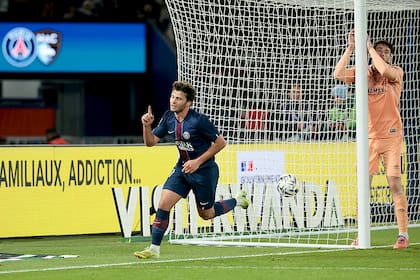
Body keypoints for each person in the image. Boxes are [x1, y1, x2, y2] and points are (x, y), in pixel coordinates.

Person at [134, 81, 249, 259]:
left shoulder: (199, 121)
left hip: (204, 172)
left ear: (188, 103)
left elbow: (221, 142)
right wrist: (146, 126)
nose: (173, 101)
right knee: (163, 203)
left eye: (178, 99)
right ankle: (154, 249)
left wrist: (197, 161)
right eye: (172, 97)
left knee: (206, 214)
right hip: (182, 169)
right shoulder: (169, 117)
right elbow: (150, 143)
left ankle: (237, 200)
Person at [334, 29, 409, 249]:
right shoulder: (363, 73)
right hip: (368, 139)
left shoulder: (395, 72)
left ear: (391, 57)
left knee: (394, 183)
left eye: (386, 52)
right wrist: (351, 47)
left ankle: (403, 234)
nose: (383, 54)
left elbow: (383, 68)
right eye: (379, 51)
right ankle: (361, 235)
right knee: (363, 187)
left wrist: (368, 48)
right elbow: (338, 74)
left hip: (392, 138)